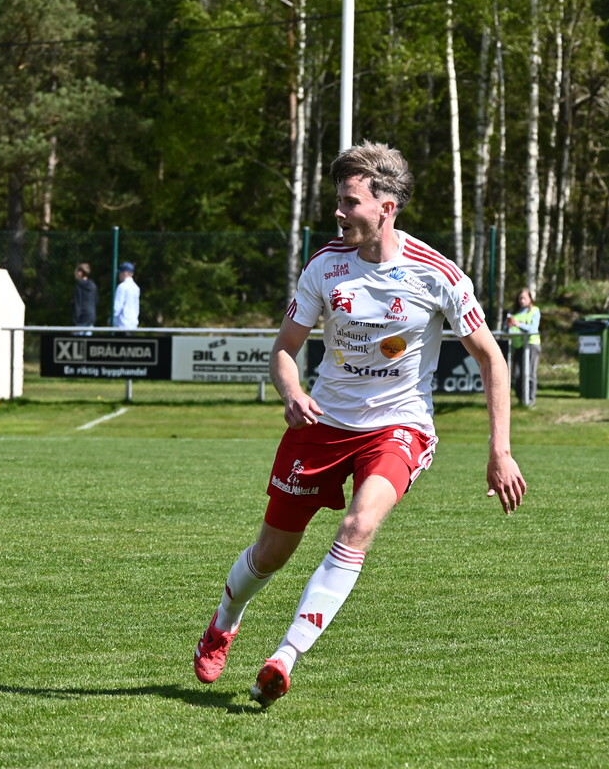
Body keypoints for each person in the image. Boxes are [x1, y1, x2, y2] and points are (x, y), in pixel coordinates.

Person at [192, 141, 527, 709]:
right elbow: (284, 349)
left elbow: (492, 359)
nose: (339, 212)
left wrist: (501, 450)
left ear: (386, 207)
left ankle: (284, 658)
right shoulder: (326, 266)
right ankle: (224, 621)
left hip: (399, 426)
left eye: (350, 201)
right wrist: (292, 391)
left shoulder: (437, 274)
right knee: (271, 553)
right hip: (322, 423)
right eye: (339, 201)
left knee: (358, 526)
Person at [506, 287, 541, 407]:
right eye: (520, 298)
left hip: (531, 345)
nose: (522, 301)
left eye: (524, 298)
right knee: (516, 374)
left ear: (530, 299)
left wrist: (519, 324)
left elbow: (533, 329)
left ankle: (530, 401)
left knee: (530, 374)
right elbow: (509, 330)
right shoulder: (515, 313)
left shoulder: (535, 311)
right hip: (518, 346)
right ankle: (521, 400)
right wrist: (509, 326)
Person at [112, 261, 140, 331]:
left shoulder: (122, 286)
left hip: (122, 324)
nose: (119, 275)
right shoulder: (136, 287)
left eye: (120, 273)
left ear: (125, 273)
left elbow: (117, 307)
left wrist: (111, 320)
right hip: (133, 324)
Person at [73, 262, 98, 335]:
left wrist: (75, 321)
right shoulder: (93, 285)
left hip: (81, 318)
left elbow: (77, 304)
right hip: (91, 316)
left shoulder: (78, 286)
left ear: (80, 273)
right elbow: (96, 300)